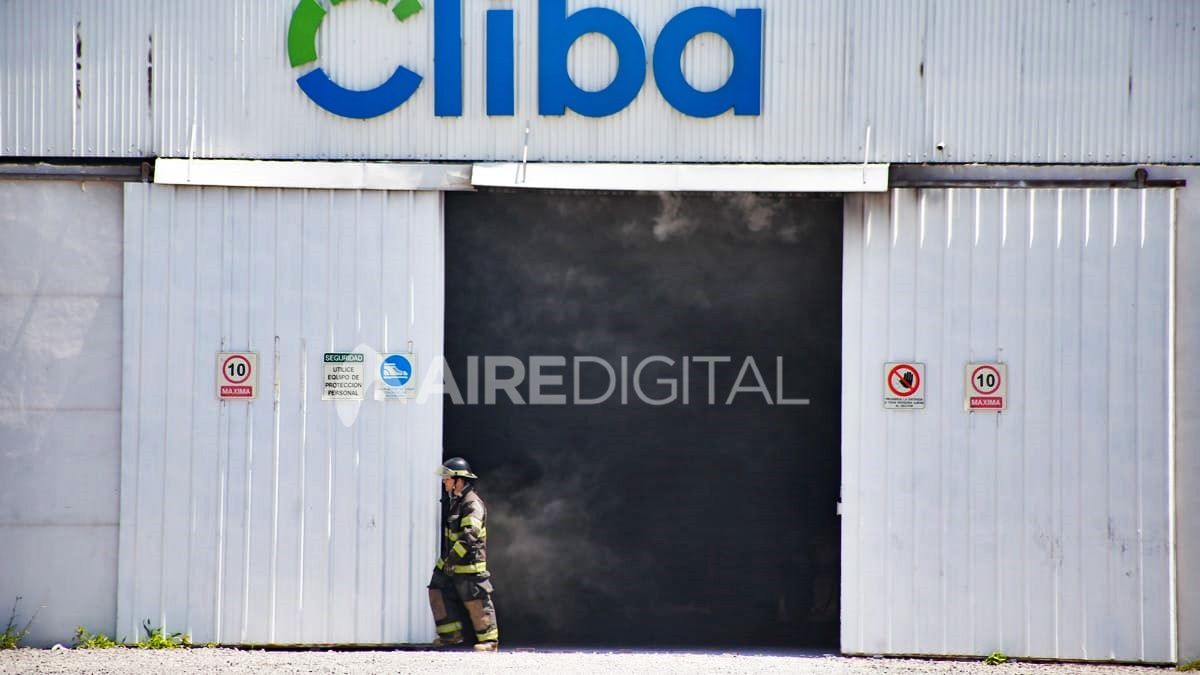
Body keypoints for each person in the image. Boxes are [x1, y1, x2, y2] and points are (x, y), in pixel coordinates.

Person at [427, 457, 500, 651]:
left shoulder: (471, 503)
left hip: (469, 564)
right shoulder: (456, 501)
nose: (444, 481)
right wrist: (445, 561)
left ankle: (489, 642)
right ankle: (450, 636)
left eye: (448, 478)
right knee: (436, 589)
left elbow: (470, 536)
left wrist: (452, 559)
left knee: (475, 600)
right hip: (451, 561)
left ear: (459, 480)